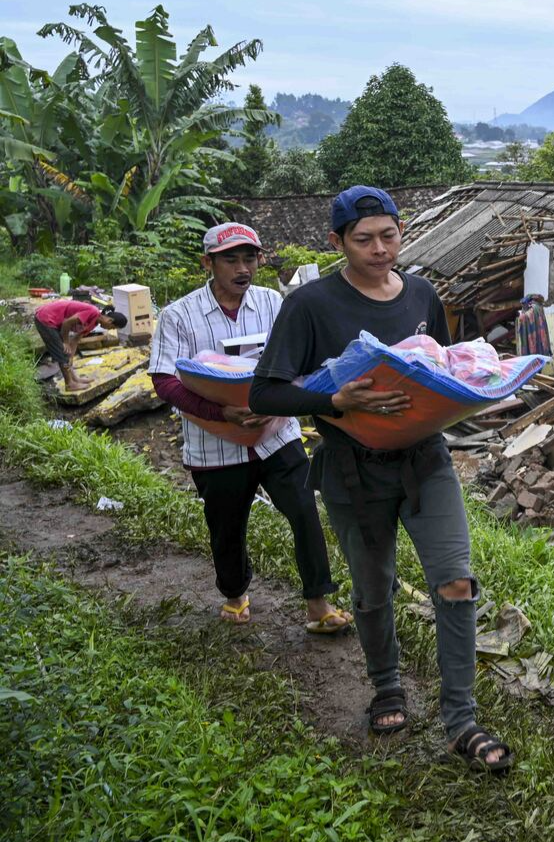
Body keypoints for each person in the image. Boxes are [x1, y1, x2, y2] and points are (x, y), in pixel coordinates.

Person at [249, 186, 513, 773]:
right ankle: (387, 687)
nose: (379, 249)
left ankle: (461, 720)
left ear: (401, 232)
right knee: (372, 593)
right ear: (336, 242)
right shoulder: (311, 305)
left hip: (426, 463)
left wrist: (475, 395)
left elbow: (443, 369)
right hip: (351, 470)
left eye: (388, 235)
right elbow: (265, 391)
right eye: (363, 239)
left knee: (456, 582)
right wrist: (334, 398)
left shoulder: (421, 292)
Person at [148, 222, 351, 633]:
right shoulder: (179, 315)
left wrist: (287, 396)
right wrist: (220, 412)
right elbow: (164, 380)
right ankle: (235, 592)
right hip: (214, 442)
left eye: (249, 258)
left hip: (276, 432)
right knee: (227, 527)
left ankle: (318, 603)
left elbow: (297, 356)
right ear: (208, 263)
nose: (243, 268)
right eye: (230, 260)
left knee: (303, 509)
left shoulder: (272, 302)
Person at [34, 299, 125, 391]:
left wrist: (71, 357)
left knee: (67, 354)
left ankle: (74, 379)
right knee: (63, 351)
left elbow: (75, 340)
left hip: (53, 320)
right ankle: (69, 384)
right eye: (112, 327)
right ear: (109, 321)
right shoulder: (93, 312)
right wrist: (65, 342)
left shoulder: (93, 323)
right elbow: (67, 323)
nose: (109, 330)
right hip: (45, 318)